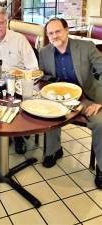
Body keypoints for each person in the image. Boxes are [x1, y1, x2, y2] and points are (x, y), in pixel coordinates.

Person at [39, 17, 102, 189]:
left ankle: (101, 168)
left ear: (67, 31)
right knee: (48, 113)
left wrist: (100, 102)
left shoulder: (86, 47)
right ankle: (53, 150)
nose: (54, 36)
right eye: (50, 33)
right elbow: (44, 76)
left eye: (58, 31)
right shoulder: (44, 52)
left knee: (100, 123)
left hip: (87, 98)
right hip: (59, 98)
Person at [0, 6, 39, 154]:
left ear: (7, 22)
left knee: (15, 103)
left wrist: (18, 74)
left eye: (0, 22)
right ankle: (1, 129)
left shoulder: (19, 40)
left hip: (18, 86)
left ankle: (18, 136)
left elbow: (34, 68)